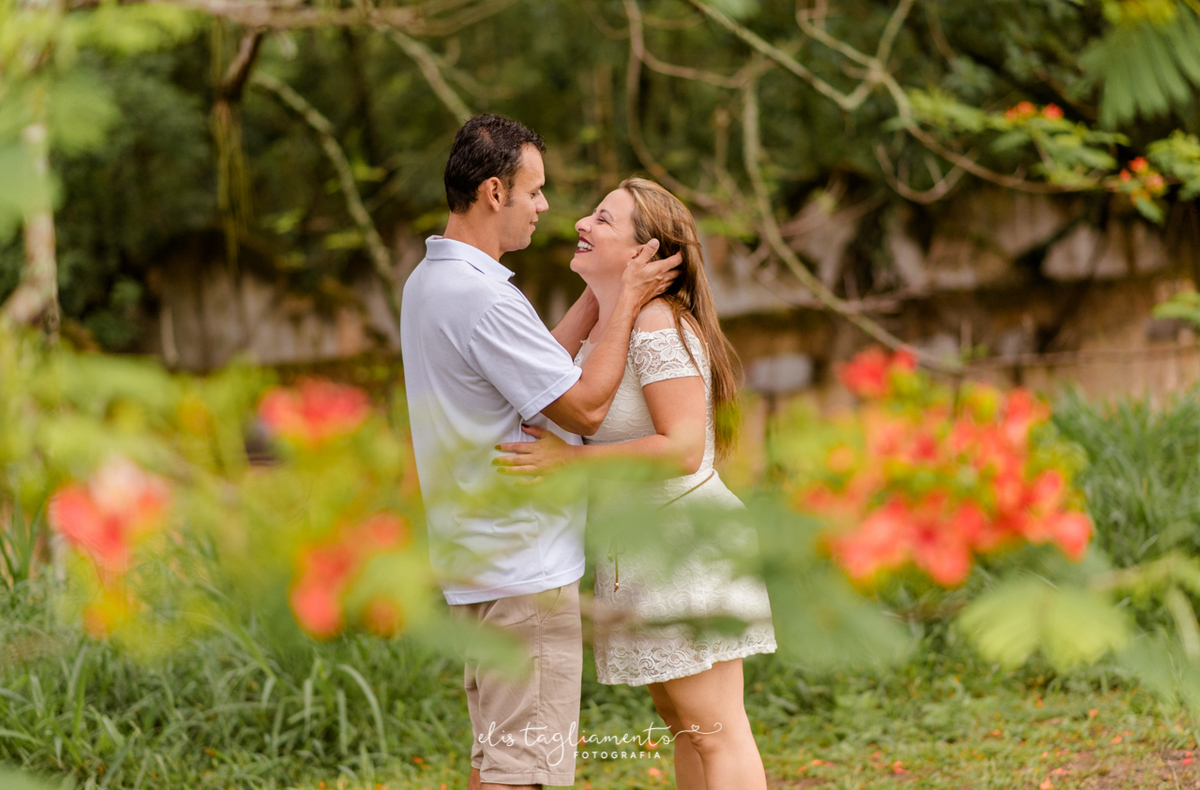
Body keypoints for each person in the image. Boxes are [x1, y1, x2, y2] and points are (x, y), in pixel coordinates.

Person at [400, 116, 680, 790]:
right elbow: (580, 405)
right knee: (523, 774)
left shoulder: (430, 283)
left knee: (495, 761)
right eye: (535, 192)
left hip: (476, 565)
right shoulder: (486, 298)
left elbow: (534, 373)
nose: (546, 207)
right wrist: (629, 300)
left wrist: (597, 294)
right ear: (495, 192)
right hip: (523, 571)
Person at [496, 177, 777, 790]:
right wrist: (606, 294)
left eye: (604, 219)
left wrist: (570, 466)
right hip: (642, 544)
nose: (582, 223)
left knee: (715, 727)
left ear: (645, 252)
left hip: (683, 536)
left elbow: (682, 449)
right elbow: (540, 384)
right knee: (682, 720)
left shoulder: (655, 323)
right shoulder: (615, 325)